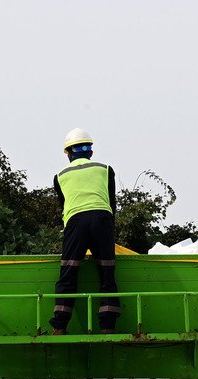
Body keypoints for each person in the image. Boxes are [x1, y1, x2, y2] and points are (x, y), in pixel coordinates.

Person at [49, 128, 119, 336]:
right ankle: (108, 326)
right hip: (102, 219)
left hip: (75, 222)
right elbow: (111, 203)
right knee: (107, 272)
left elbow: (65, 207)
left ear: (68, 153)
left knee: (68, 272)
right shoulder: (106, 169)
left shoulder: (60, 176)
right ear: (90, 152)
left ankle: (60, 326)